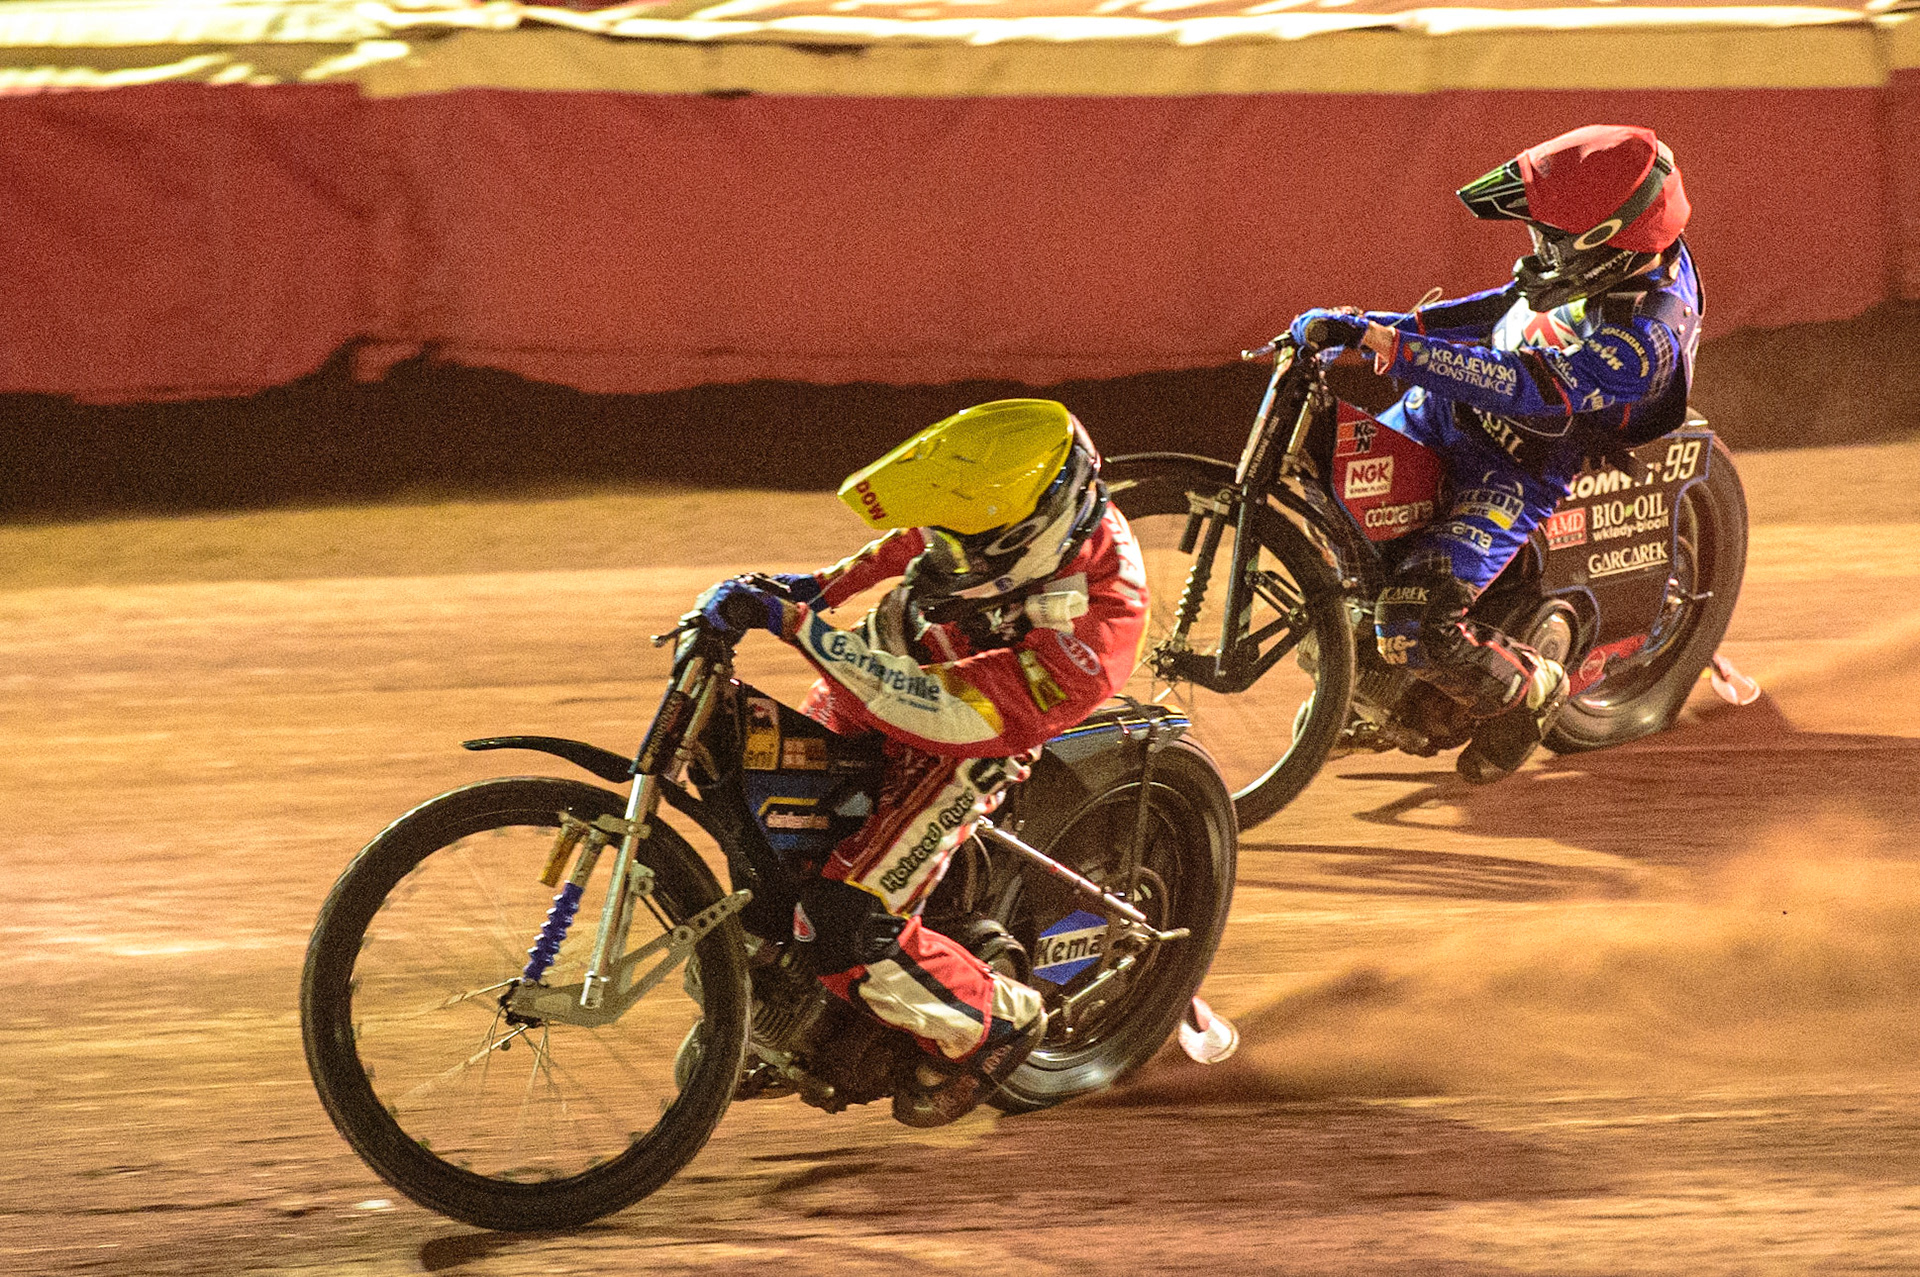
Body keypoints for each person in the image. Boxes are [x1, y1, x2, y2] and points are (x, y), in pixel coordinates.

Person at [697, 398, 1150, 1125]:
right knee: (771, 821)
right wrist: (817, 587)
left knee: (845, 922)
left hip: (965, 735)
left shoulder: (1090, 635)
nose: (941, 556)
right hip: (887, 668)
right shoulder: (1015, 507)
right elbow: (922, 529)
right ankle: (790, 1003)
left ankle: (997, 1022)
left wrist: (796, 625)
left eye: (962, 548)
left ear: (1033, 538)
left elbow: (929, 710)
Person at [1290, 124, 1704, 783]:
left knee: (1409, 622)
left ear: (1606, 242)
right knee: (1328, 527)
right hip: (1440, 413)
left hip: (1518, 466)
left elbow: (1524, 386)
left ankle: (1532, 691)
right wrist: (1372, 326)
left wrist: (1397, 349)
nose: (1537, 250)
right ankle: (1375, 677)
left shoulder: (1647, 336)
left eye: (1553, 238)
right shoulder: (1609, 264)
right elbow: (1502, 312)